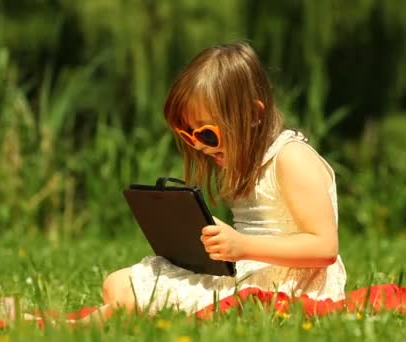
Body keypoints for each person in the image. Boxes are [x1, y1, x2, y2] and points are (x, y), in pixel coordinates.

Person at [75, 41, 347, 324]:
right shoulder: (245, 162)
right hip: (246, 270)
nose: (200, 146)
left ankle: (72, 327)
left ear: (253, 115)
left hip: (289, 284)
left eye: (207, 135)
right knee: (116, 283)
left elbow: (324, 248)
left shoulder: (292, 159)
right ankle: (125, 313)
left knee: (133, 296)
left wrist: (243, 246)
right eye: (187, 134)